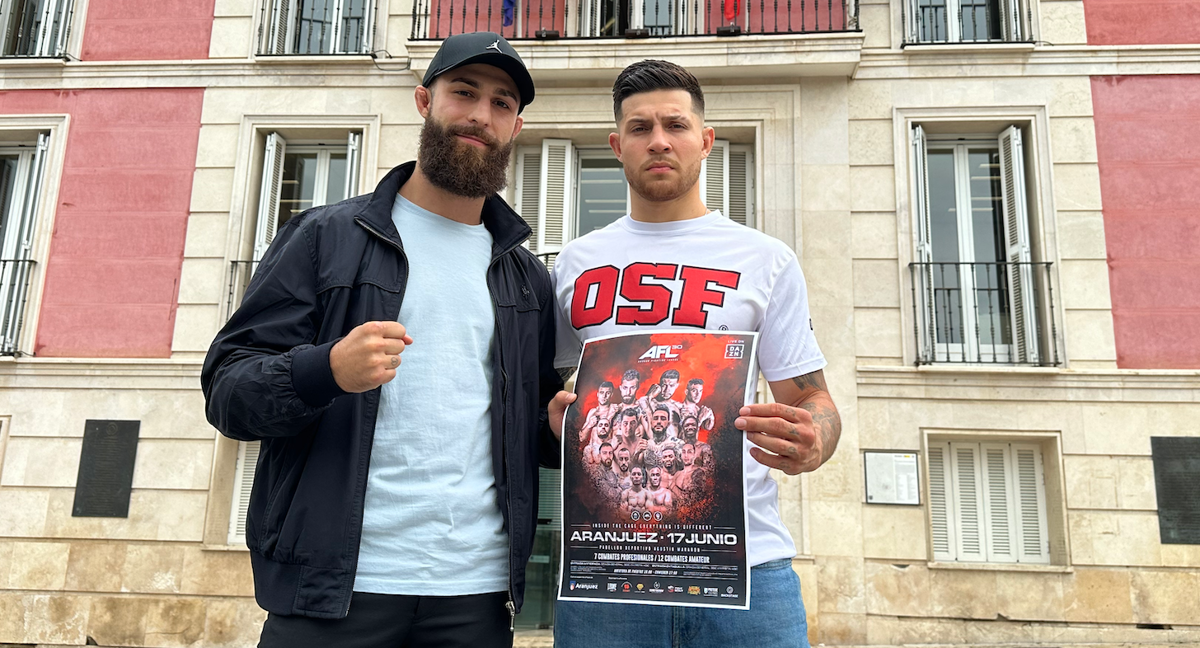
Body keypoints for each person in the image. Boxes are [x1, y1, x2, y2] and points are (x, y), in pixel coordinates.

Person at [202, 31, 575, 648]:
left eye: (502, 103)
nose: (481, 114)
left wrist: (556, 434)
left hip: (476, 596)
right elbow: (227, 391)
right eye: (464, 92)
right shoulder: (324, 237)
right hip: (333, 593)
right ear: (424, 101)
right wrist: (325, 369)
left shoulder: (525, 275)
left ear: (516, 128)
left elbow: (525, 430)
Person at [551, 59, 841, 648]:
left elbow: (812, 398)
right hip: (607, 576)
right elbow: (556, 395)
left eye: (675, 125)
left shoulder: (766, 259)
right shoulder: (572, 265)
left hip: (747, 569)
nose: (658, 140)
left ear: (705, 140)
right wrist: (556, 419)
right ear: (616, 145)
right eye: (640, 128)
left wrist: (814, 441)